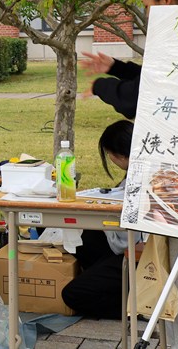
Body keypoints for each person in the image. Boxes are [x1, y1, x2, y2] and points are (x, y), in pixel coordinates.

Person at [82, 0, 178, 348]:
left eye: (147, 6)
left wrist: (102, 86)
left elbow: (146, 97)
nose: (147, 15)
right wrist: (117, 67)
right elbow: (159, 78)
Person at [61, 120, 135, 319]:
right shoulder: (139, 174)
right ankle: (105, 281)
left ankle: (137, 307)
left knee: (72, 295)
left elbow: (127, 242)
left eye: (109, 154)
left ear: (119, 155)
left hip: (136, 255)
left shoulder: (138, 182)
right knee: (83, 239)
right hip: (127, 249)